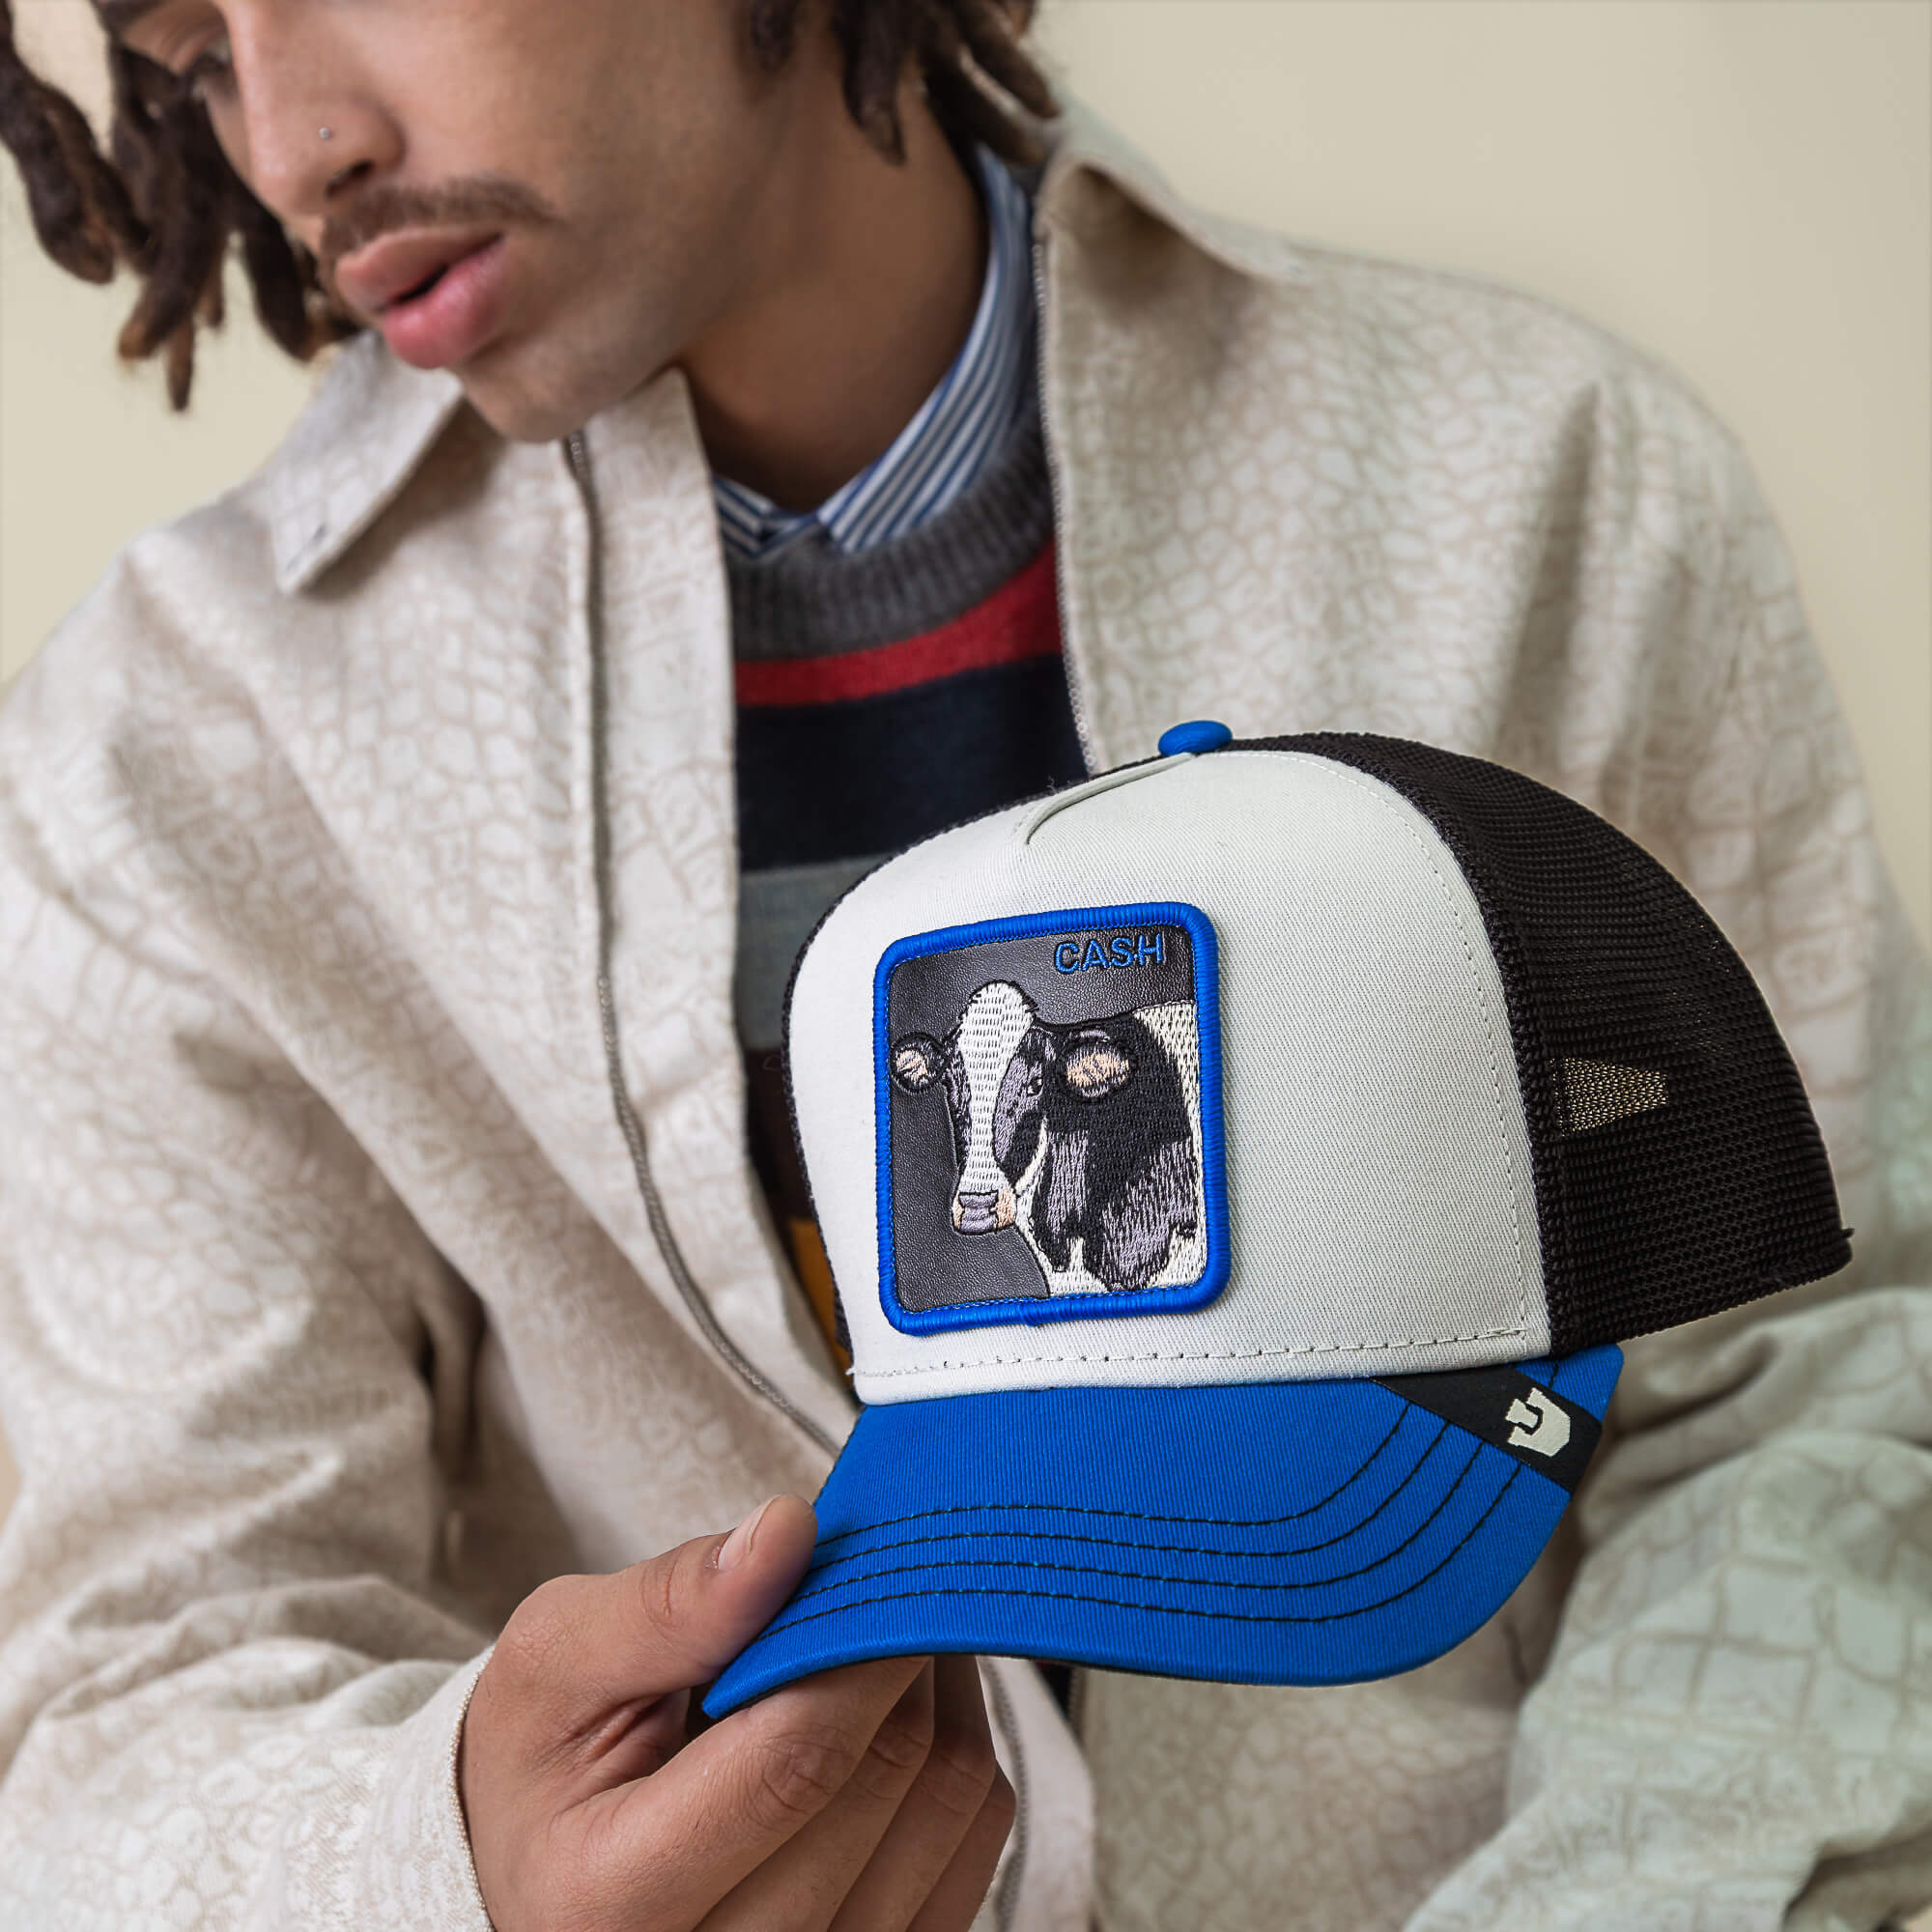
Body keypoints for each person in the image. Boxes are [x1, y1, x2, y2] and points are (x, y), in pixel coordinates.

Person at [0, 1, 1926, 1926]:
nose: (287, 144)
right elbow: (138, 1683)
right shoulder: (163, 763)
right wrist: (451, 1866)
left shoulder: (1541, 494)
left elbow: (1801, 1386)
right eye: (190, 61)